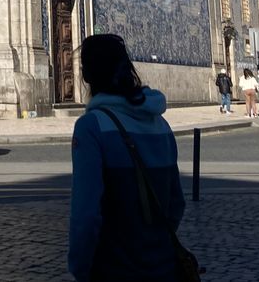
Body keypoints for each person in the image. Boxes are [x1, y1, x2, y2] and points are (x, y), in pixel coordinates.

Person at [68, 34, 186, 282]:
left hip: (114, 271)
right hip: (164, 269)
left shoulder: (91, 127)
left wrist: (80, 269)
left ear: (87, 76)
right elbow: (176, 205)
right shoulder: (161, 124)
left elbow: (86, 215)